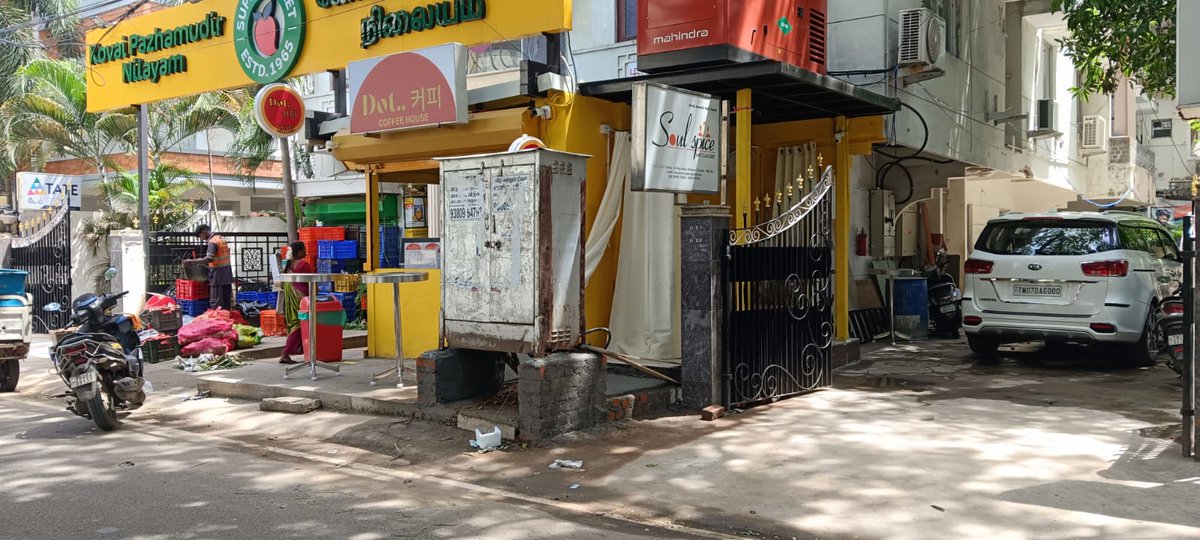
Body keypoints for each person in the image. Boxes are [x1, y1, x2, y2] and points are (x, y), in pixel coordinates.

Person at [183, 224, 233, 311]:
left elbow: (209, 258)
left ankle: (217, 322)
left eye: (200, 236)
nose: (201, 238)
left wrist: (190, 261)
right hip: (227, 274)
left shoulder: (212, 242)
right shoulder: (221, 239)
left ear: (203, 232)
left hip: (217, 276)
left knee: (216, 302)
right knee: (226, 301)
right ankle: (226, 320)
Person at [279, 241, 313, 364]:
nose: (305, 251)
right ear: (298, 252)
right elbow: (311, 281)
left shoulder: (288, 266)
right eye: (304, 249)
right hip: (301, 298)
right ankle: (285, 353)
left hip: (290, 298)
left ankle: (296, 350)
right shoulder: (303, 264)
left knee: (295, 324)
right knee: (300, 325)